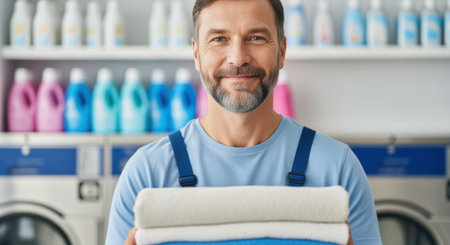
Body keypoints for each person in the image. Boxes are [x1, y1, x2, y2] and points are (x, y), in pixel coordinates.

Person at [106, 0, 382, 244]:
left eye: (257, 38)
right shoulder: (146, 174)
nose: (238, 58)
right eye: (219, 39)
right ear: (196, 55)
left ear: (282, 51)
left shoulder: (337, 168)